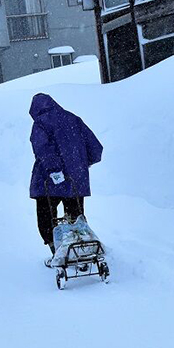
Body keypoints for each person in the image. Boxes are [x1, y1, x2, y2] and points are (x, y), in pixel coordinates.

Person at [29, 93, 103, 254]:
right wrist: (81, 165)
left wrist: (55, 170)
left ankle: (56, 250)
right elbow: (96, 149)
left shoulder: (40, 124)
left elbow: (43, 149)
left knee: (46, 215)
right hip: (76, 179)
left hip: (48, 180)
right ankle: (80, 248)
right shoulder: (73, 119)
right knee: (75, 217)